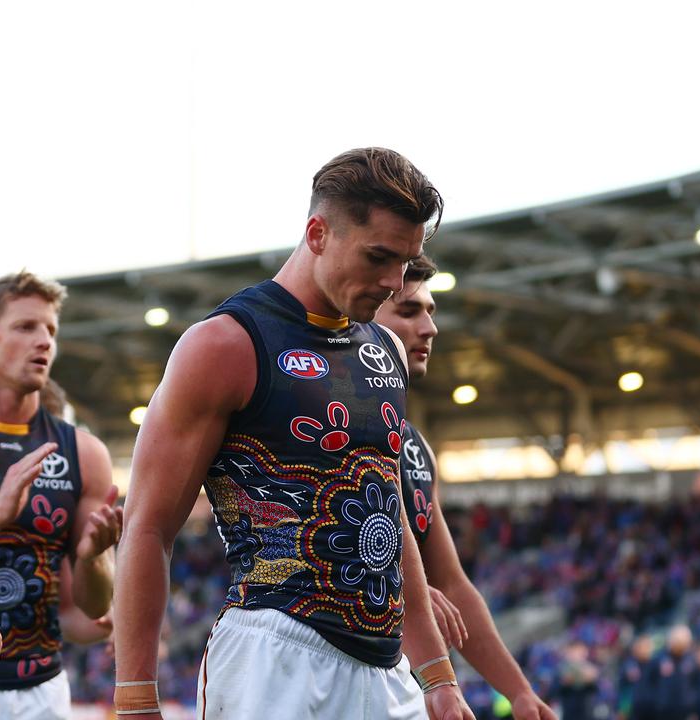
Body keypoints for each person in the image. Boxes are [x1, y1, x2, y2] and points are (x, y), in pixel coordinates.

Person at [113, 148, 473, 719]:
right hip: (274, 657)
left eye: (407, 262)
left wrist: (437, 675)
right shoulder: (226, 344)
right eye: (378, 256)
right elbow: (148, 526)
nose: (392, 281)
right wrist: (135, 694)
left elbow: (387, 511)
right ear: (317, 232)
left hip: (387, 669)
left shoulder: (385, 351)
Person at [374, 256, 557, 720]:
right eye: (410, 311)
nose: (431, 327)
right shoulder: (326, 424)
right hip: (317, 669)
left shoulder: (416, 449)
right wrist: (404, 588)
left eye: (431, 311)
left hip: (401, 681)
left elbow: (452, 583)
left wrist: (518, 691)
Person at [0, 272, 122, 719]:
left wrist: (94, 557)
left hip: (43, 691)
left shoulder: (84, 452)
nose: (44, 342)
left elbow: (87, 611)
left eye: (51, 330)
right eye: (25, 327)